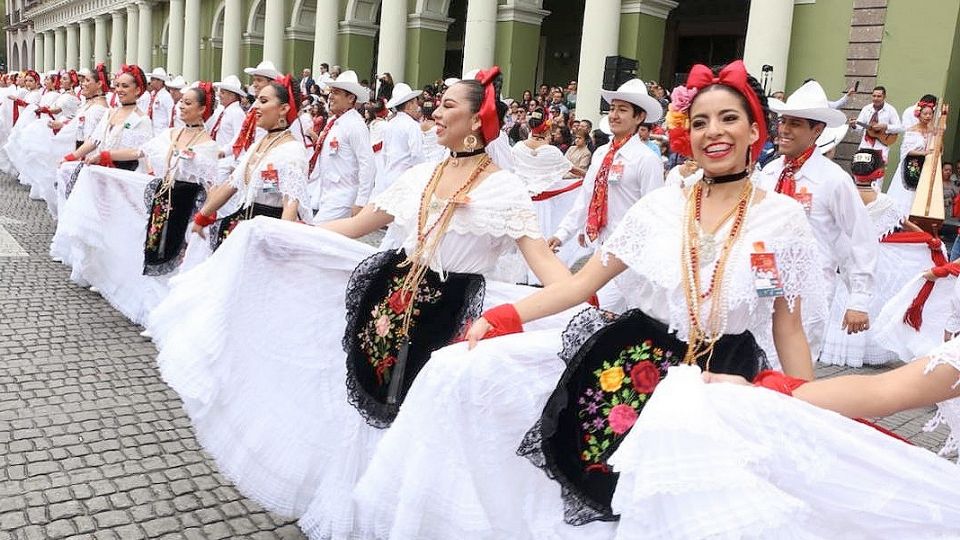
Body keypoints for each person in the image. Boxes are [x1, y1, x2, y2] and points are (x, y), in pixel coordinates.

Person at [353, 60, 824, 539]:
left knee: (692, 512)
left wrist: (808, 408)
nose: (713, 132)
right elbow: (581, 285)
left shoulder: (781, 221)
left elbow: (787, 326)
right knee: (611, 504)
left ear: (754, 130)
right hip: (632, 371)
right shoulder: (662, 207)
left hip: (722, 379)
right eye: (700, 122)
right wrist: (504, 316)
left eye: (728, 118)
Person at [147, 66, 572, 535]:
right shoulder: (421, 174)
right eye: (438, 104)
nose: (436, 111)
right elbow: (356, 226)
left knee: (416, 426)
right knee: (365, 416)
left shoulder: (504, 189)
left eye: (448, 105)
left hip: (448, 316)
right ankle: (355, 516)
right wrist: (282, 234)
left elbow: (552, 275)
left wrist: (540, 310)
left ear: (477, 120)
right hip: (385, 308)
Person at [52, 82, 221, 324]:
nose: (181, 107)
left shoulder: (208, 146)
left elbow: (211, 184)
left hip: (187, 205)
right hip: (163, 200)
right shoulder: (172, 134)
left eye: (188, 103)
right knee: (153, 249)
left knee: (176, 256)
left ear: (202, 109)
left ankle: (167, 316)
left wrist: (206, 216)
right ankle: (152, 312)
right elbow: (139, 152)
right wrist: (105, 155)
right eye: (181, 102)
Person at [756, 80, 876, 359]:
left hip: (808, 292)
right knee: (758, 363)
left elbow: (861, 237)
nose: (784, 129)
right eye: (783, 121)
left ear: (817, 130)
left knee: (793, 368)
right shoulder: (770, 172)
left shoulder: (833, 180)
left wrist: (859, 299)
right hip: (764, 283)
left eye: (795, 124)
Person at [548, 78, 664, 310]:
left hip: (629, 256)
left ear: (639, 117)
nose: (614, 115)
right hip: (601, 248)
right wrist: (562, 234)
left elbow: (654, 214)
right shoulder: (601, 153)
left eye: (622, 110)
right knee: (599, 312)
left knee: (603, 311)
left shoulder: (647, 160)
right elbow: (586, 197)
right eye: (612, 109)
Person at [820, 148, 923, 368]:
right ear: (879, 172)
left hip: (841, 258)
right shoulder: (886, 203)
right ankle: (864, 348)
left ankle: (830, 345)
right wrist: (930, 239)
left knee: (839, 298)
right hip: (871, 261)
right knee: (868, 299)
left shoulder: (841, 196)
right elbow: (905, 224)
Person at [190, 76, 310, 249]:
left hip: (266, 235)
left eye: (263, 101)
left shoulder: (292, 151)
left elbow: (290, 204)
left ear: (283, 109)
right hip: (247, 227)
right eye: (257, 101)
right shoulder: (259, 145)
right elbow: (231, 185)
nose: (256, 106)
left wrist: (281, 246)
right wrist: (202, 217)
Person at [16, 65, 110, 215]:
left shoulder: (99, 108)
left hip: (88, 157)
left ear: (99, 84)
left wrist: (76, 156)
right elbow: (79, 122)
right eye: (83, 80)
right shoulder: (90, 103)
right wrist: (62, 124)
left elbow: (93, 139)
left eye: (87, 80)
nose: (83, 83)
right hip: (80, 151)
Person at [307, 70, 376, 222]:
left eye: (336, 93)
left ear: (351, 98)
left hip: (343, 199)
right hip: (327, 195)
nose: (330, 96)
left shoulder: (355, 125)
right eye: (331, 92)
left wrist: (361, 201)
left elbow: (368, 165)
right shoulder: (335, 122)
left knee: (317, 233)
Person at [373, 82, 424, 197]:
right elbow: (417, 155)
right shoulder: (412, 125)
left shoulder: (390, 124)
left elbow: (384, 153)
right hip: (405, 179)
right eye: (415, 103)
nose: (417, 107)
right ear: (409, 105)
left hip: (389, 177)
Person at [887, 100, 937, 216]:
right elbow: (907, 151)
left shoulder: (932, 131)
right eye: (925, 114)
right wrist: (924, 153)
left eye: (930, 114)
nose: (928, 116)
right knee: (906, 194)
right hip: (910, 164)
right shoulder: (912, 130)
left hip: (924, 166)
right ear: (919, 115)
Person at [849, 85, 902, 161]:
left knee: (878, 168)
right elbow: (859, 128)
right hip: (865, 146)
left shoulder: (890, 110)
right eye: (874, 96)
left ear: (884, 97)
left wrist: (886, 126)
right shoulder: (866, 109)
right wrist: (854, 125)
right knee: (860, 167)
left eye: (879, 96)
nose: (876, 98)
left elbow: (899, 128)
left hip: (881, 147)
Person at [207, 74, 247, 158]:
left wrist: (224, 152)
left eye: (222, 92)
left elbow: (239, 137)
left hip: (228, 159)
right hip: (218, 157)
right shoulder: (222, 111)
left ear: (232, 96)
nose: (219, 95)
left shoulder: (237, 113)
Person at [140, 68, 176, 134]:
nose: (151, 81)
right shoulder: (153, 94)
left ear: (160, 81)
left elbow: (171, 115)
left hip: (162, 131)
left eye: (153, 79)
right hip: (152, 130)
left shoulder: (166, 96)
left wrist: (170, 133)